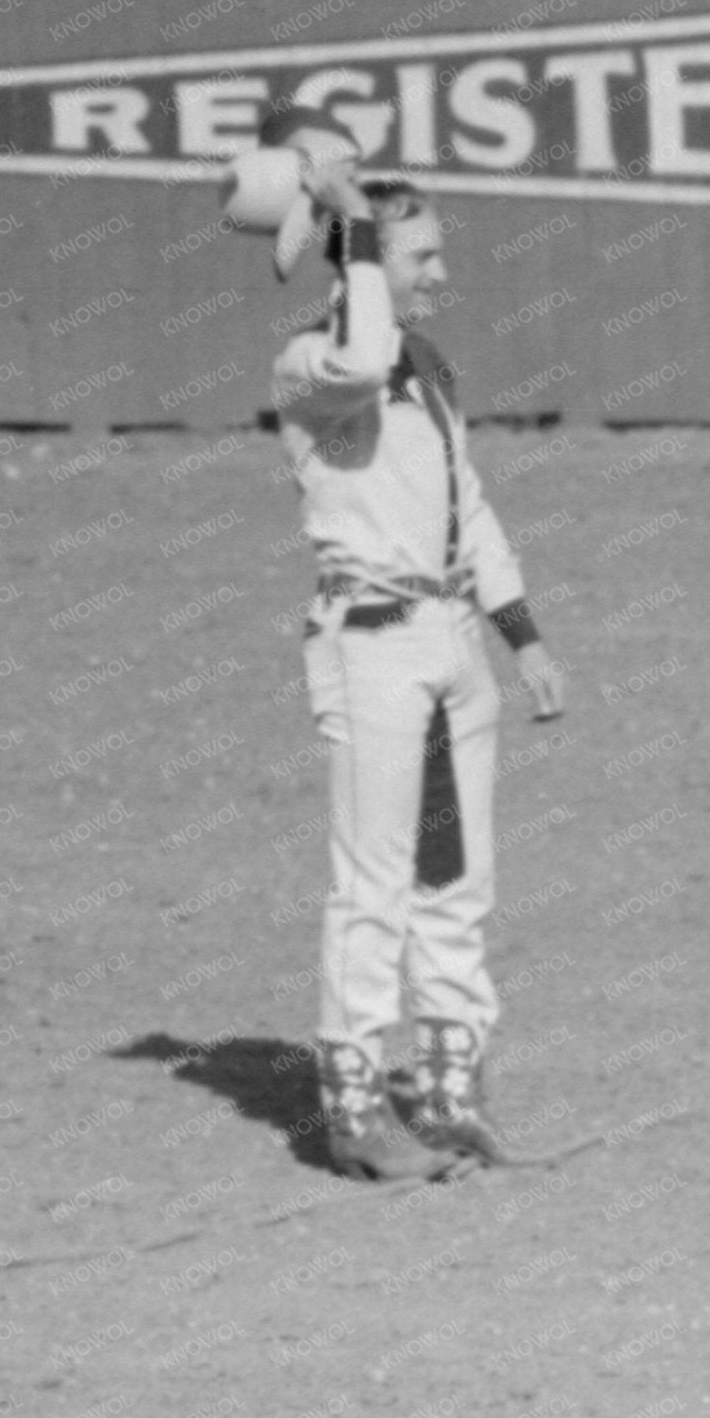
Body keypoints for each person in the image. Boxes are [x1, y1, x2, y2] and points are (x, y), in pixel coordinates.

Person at [266, 142, 566, 1181]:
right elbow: (359, 355)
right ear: (367, 262)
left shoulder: (430, 369)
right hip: (371, 648)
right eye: (421, 256)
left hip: (448, 644)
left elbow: (464, 504)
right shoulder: (312, 367)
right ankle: (353, 1103)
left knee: (454, 875)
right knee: (373, 883)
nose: (441, 273)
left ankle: (445, 1088)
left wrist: (518, 632)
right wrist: (344, 217)